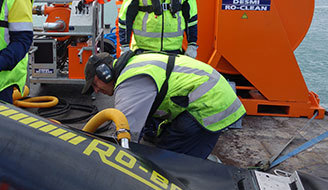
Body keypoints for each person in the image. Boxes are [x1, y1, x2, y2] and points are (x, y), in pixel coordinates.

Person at [85, 51, 241, 158]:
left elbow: (126, 131)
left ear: (104, 74)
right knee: (162, 141)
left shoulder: (130, 81)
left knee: (169, 160)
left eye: (94, 84)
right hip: (213, 95)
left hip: (211, 102)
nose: (96, 91)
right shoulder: (133, 66)